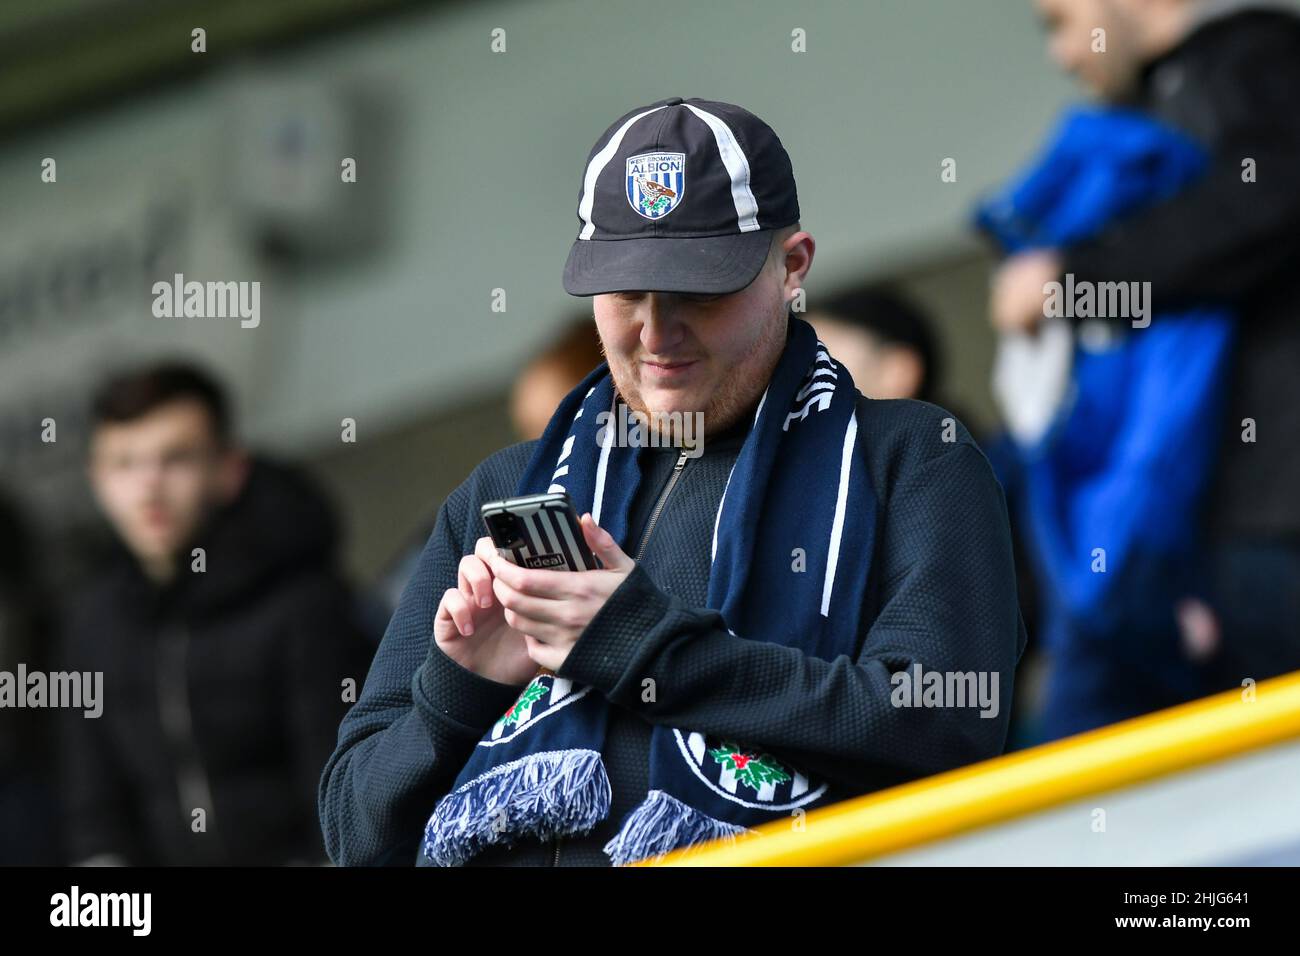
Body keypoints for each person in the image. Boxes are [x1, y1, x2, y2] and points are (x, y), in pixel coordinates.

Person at [321, 97, 1026, 867]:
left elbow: (949, 728)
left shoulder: (912, 458)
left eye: (699, 290)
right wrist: (455, 694)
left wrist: (644, 646)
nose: (658, 335)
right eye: (626, 295)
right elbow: (356, 836)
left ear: (792, 266)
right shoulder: (509, 487)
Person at [993, 0, 1300, 688]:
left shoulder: (1255, 58)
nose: (1062, 56)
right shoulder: (1172, 98)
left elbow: (1273, 194)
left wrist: (1070, 276)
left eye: (1059, 21)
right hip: (1236, 527)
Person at [59, 362, 371, 865]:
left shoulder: (302, 600)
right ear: (97, 479)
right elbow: (95, 812)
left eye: (175, 459)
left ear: (229, 468)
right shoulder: (94, 621)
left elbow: (342, 789)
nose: (148, 487)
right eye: (123, 463)